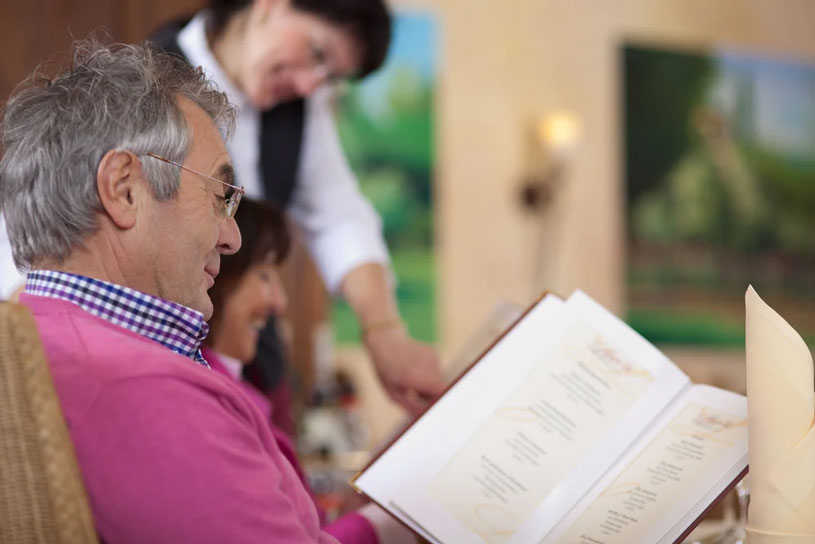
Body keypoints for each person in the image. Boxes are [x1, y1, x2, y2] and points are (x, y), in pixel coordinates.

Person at [0, 39, 397, 543]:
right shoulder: (141, 386)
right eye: (219, 197)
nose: (232, 238)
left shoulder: (37, 337)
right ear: (124, 189)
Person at [149, 0, 443, 415]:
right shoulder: (148, 81)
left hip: (255, 370)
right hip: (167, 366)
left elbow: (338, 216)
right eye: (317, 52)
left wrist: (385, 334)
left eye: (329, 78)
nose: (309, 86)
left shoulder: (301, 107)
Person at [202, 197, 414, 544]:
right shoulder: (215, 403)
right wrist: (383, 520)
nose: (279, 302)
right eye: (264, 275)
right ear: (219, 274)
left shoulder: (245, 393)